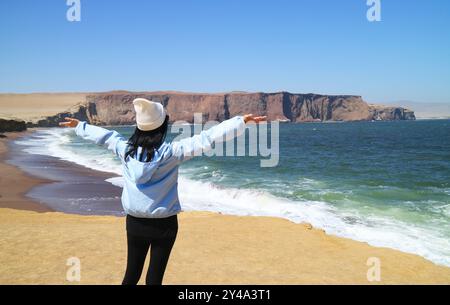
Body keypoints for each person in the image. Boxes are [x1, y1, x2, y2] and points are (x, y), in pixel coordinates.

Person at [59, 98, 266, 285]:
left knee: (131, 275)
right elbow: (206, 139)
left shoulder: (124, 150)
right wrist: (240, 121)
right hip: (164, 224)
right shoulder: (172, 153)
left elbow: (105, 137)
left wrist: (80, 126)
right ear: (162, 125)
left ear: (139, 127)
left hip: (135, 222)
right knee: (154, 279)